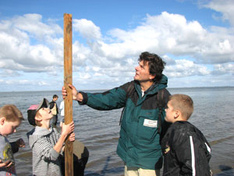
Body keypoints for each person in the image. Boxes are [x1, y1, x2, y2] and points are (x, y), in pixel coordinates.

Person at [62, 51, 171, 176]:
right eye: (138, 65)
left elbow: (170, 130)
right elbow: (107, 99)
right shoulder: (130, 89)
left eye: (141, 67)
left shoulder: (163, 97)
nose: (136, 68)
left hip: (149, 162)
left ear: (152, 75)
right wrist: (80, 96)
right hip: (129, 157)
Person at [161, 94, 212, 176]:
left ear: (176, 113)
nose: (165, 110)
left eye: (167, 107)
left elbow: (194, 168)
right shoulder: (173, 129)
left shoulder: (185, 133)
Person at [27, 98, 75, 176]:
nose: (47, 109)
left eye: (46, 107)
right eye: (43, 109)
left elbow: (61, 148)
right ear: (38, 118)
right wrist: (64, 134)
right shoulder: (36, 137)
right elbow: (52, 155)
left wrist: (68, 140)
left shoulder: (53, 130)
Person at [0, 104, 25, 176]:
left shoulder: (3, 137)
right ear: (2, 121)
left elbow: (3, 151)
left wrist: (15, 145)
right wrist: (3, 164)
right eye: (13, 127)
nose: (15, 131)